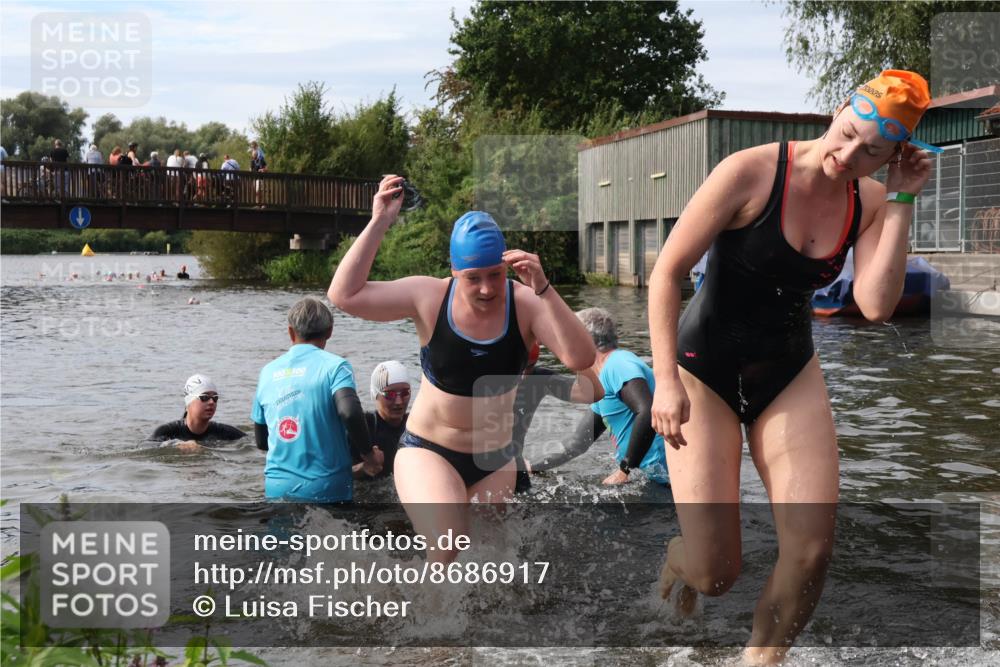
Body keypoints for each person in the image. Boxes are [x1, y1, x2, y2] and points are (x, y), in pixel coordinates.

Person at [647, 70, 934, 664]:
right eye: (848, 134)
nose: (849, 156)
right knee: (716, 572)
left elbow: (875, 307)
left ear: (892, 156)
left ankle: (760, 660)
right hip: (705, 370)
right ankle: (682, 558)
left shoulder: (873, 201)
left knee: (809, 554)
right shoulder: (750, 172)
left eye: (872, 153)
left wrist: (902, 196)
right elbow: (667, 273)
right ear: (836, 111)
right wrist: (667, 381)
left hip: (788, 371)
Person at [328, 182, 596, 563]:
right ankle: (418, 620)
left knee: (489, 565)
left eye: (494, 275)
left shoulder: (525, 303)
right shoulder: (430, 297)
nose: (487, 289)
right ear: (455, 272)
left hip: (494, 460)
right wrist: (379, 223)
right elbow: (344, 296)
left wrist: (544, 289)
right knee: (447, 543)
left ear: (506, 267)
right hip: (429, 450)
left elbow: (580, 357)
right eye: (473, 277)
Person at [252, 297, 382, 503]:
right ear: (330, 331)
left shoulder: (267, 372)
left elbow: (261, 441)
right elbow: (349, 411)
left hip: (276, 487)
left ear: (290, 332)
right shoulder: (336, 367)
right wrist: (369, 456)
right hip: (327, 488)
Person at [530, 308, 669, 486]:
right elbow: (577, 443)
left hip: (664, 480)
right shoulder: (602, 380)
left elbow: (647, 411)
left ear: (584, 340)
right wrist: (532, 467)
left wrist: (625, 469)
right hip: (647, 478)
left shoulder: (618, 363)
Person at [509, 342, 603, 493]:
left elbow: (591, 393)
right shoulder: (476, 379)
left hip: (514, 465)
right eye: (515, 369)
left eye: (528, 368)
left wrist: (573, 355)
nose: (522, 377)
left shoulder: (537, 379)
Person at [150, 374, 247, 452]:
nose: (211, 402)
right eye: (204, 397)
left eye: (215, 398)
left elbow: (251, 442)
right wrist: (175, 444)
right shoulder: (167, 432)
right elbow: (145, 447)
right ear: (189, 402)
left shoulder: (224, 432)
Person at [350, 360, 412, 480]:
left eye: (404, 393)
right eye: (390, 394)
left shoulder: (416, 426)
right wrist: (363, 468)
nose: (399, 402)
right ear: (375, 394)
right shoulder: (362, 427)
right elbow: (332, 474)